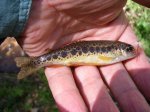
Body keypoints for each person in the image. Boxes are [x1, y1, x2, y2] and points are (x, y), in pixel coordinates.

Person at [0, 0, 150, 111]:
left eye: (129, 49)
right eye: (129, 49)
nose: (132, 51)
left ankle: (36, 62)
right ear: (118, 50)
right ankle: (35, 62)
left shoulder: (113, 49)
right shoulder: (112, 52)